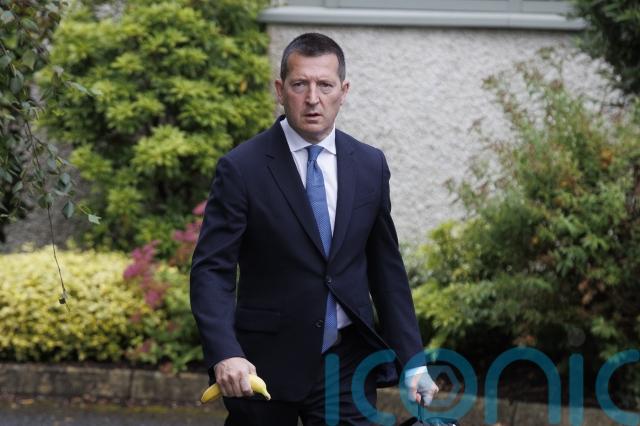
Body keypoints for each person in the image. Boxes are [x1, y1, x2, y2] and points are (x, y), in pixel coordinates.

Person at [190, 32, 438, 425]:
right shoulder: (241, 168)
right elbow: (211, 270)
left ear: (344, 91)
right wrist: (225, 352)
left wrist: (413, 360)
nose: (312, 98)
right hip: (261, 366)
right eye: (299, 84)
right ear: (280, 90)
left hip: (346, 363)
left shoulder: (370, 165)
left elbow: (386, 268)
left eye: (324, 85)